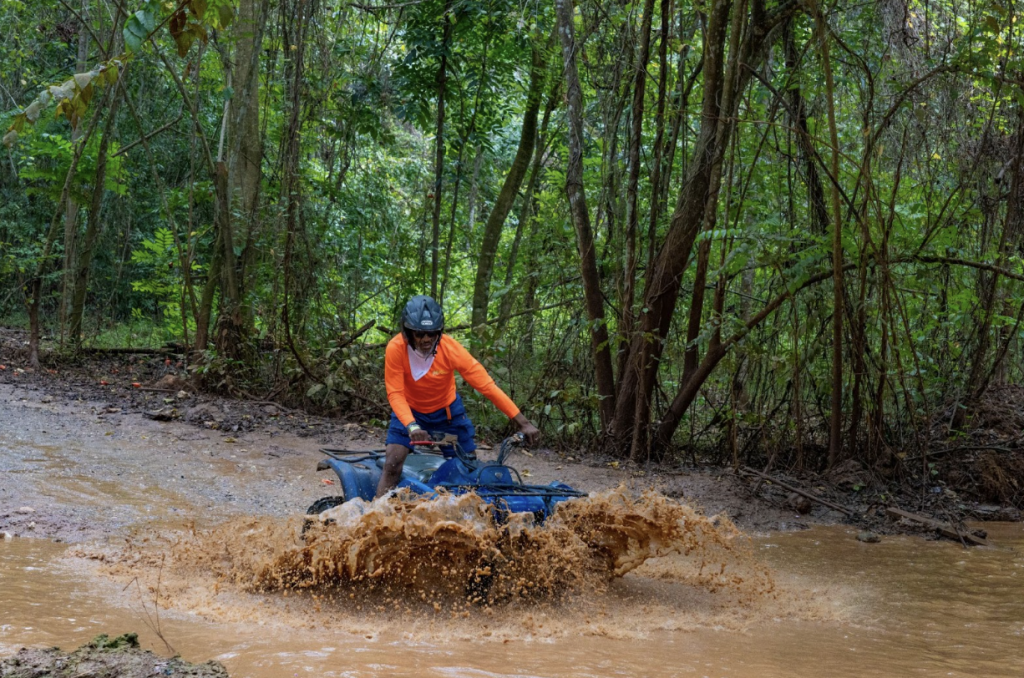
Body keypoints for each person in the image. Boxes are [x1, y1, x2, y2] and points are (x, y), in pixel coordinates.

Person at [375, 295, 541, 497]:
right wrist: (411, 425)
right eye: (419, 334)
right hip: (410, 413)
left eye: (432, 333)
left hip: (447, 415)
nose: (426, 339)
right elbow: (395, 393)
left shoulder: (450, 349)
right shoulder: (396, 348)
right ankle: (377, 512)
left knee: (468, 470)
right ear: (408, 332)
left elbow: (486, 386)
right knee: (392, 462)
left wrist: (522, 422)